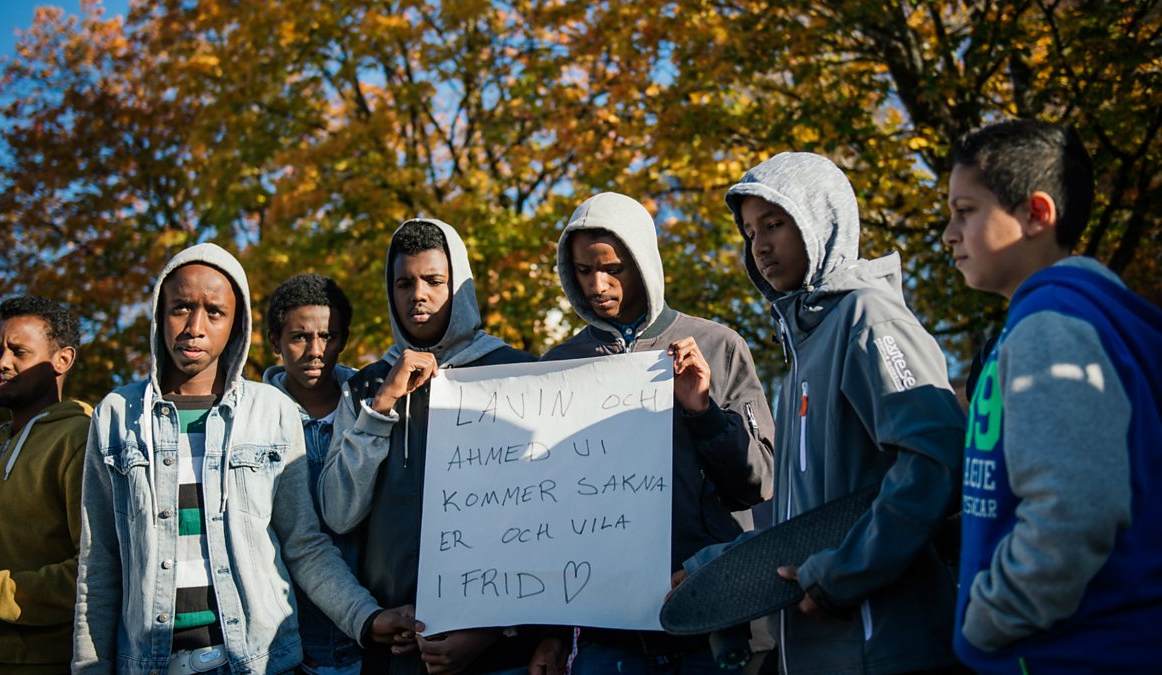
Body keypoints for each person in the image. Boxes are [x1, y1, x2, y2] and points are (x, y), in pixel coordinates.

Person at [73, 243, 384, 675]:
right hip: (150, 664)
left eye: (215, 312)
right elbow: (99, 565)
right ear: (160, 314)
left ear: (236, 324)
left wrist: (367, 618)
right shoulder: (116, 415)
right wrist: (89, 667)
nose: (194, 328)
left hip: (261, 662)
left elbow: (304, 545)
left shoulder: (271, 411)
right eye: (181, 308)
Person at [713, 152, 965, 673]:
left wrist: (843, 575)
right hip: (821, 653)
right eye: (750, 232)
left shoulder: (869, 318)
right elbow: (801, 524)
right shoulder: (802, 355)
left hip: (882, 646)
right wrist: (703, 569)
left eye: (774, 224)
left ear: (820, 221)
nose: (760, 245)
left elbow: (935, 459)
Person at [945, 119, 1162, 672]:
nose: (949, 234)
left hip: (1069, 652)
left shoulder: (1051, 326)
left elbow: (1075, 512)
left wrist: (986, 621)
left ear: (1035, 215)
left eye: (965, 211)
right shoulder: (1064, 318)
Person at [538, 192, 775, 674]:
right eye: (583, 270)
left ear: (644, 262)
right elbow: (543, 511)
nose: (597, 285)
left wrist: (703, 411)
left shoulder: (718, 346)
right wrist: (552, 634)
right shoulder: (555, 368)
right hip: (608, 635)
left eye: (613, 268)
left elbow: (760, 484)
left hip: (712, 625)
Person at [318, 219, 537, 674]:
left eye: (434, 281)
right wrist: (381, 407)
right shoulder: (365, 387)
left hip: (501, 648)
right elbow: (338, 513)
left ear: (459, 286)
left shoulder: (518, 373)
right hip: (396, 647)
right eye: (404, 283)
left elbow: (545, 518)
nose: (418, 295)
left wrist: (496, 628)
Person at [0, 296, 89, 673]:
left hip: (36, 662)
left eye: (18, 352)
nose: (1, 363)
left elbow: (90, 574)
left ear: (62, 360)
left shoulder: (80, 441)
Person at [263, 274, 363, 675]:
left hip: (376, 635)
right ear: (275, 341)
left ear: (343, 339)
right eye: (300, 337)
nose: (316, 351)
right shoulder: (253, 422)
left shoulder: (374, 406)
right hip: (291, 645)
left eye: (328, 336)